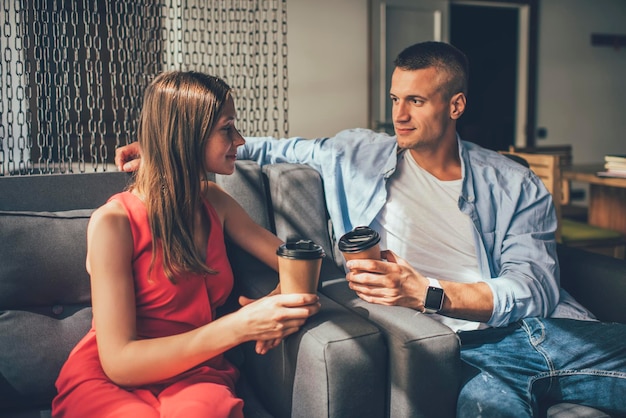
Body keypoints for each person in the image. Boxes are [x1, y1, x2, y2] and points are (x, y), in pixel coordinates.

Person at [115, 43, 626, 416]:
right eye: (395, 99)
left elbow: (533, 287)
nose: (398, 117)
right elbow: (271, 147)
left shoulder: (511, 182)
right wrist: (169, 147)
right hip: (435, 345)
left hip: (512, 331)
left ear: (455, 105)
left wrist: (429, 293)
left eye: (416, 102)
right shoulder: (357, 154)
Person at [53, 71, 320, 418]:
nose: (239, 140)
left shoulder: (214, 201)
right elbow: (119, 362)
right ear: (187, 136)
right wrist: (238, 327)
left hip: (196, 373)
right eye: (227, 128)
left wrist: (277, 301)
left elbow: (296, 261)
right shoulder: (113, 223)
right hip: (112, 378)